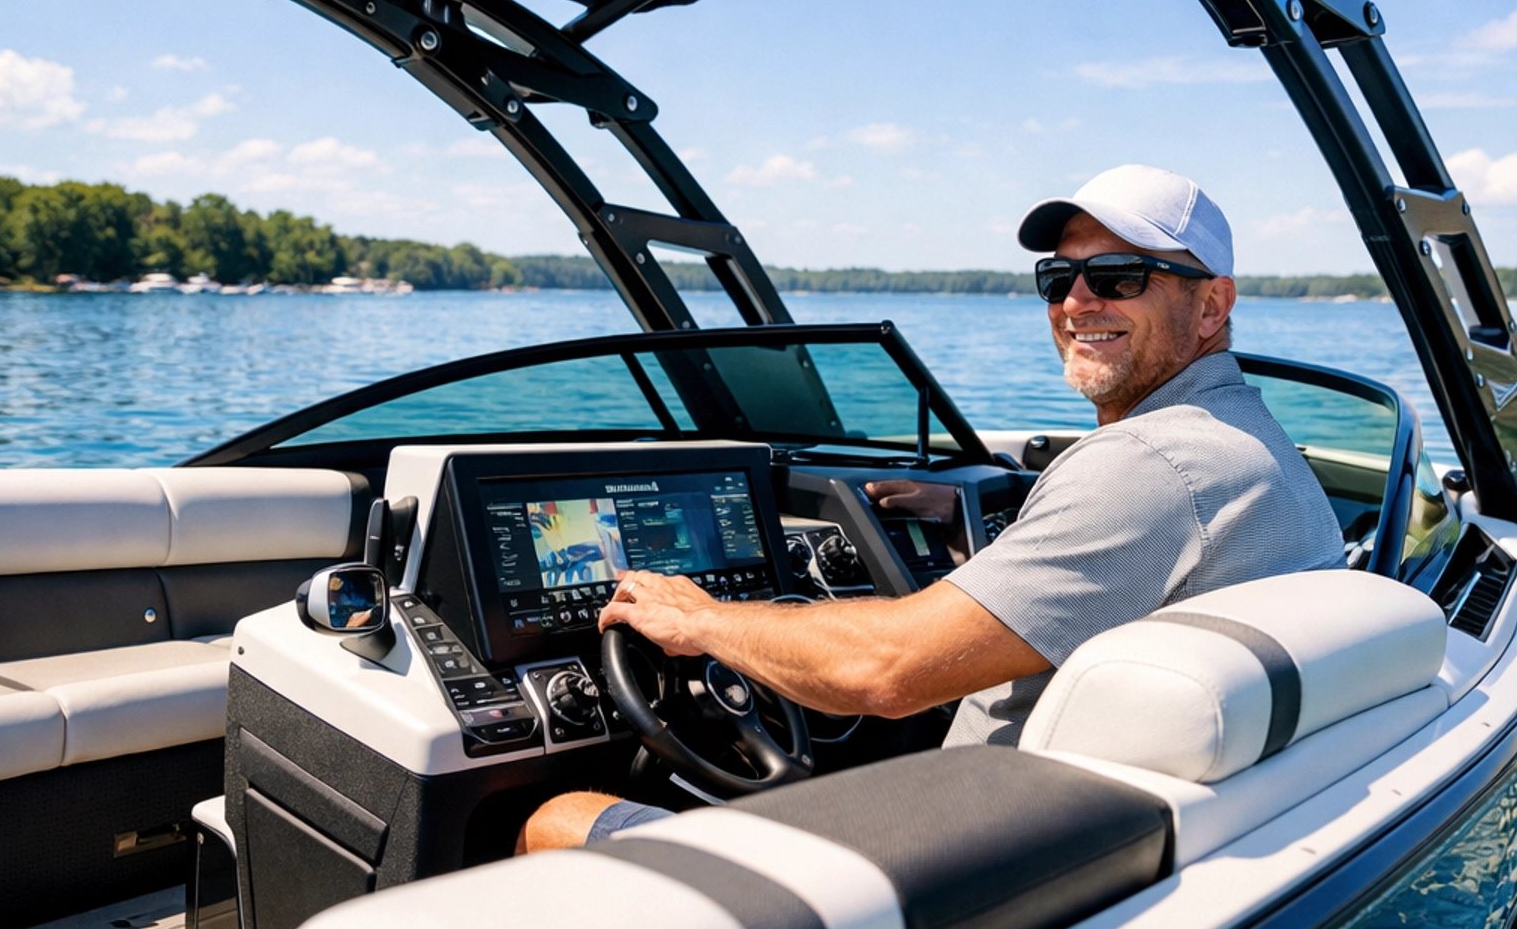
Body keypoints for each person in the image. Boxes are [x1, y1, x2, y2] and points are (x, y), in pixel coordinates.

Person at [518, 164, 1345, 851]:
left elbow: (885, 672)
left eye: (1121, 276)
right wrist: (971, 533)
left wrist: (703, 621)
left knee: (557, 822)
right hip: (1111, 839)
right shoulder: (1248, 444)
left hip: (984, 870)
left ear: (1212, 304)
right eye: (1059, 278)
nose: (1078, 302)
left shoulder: (1148, 466)